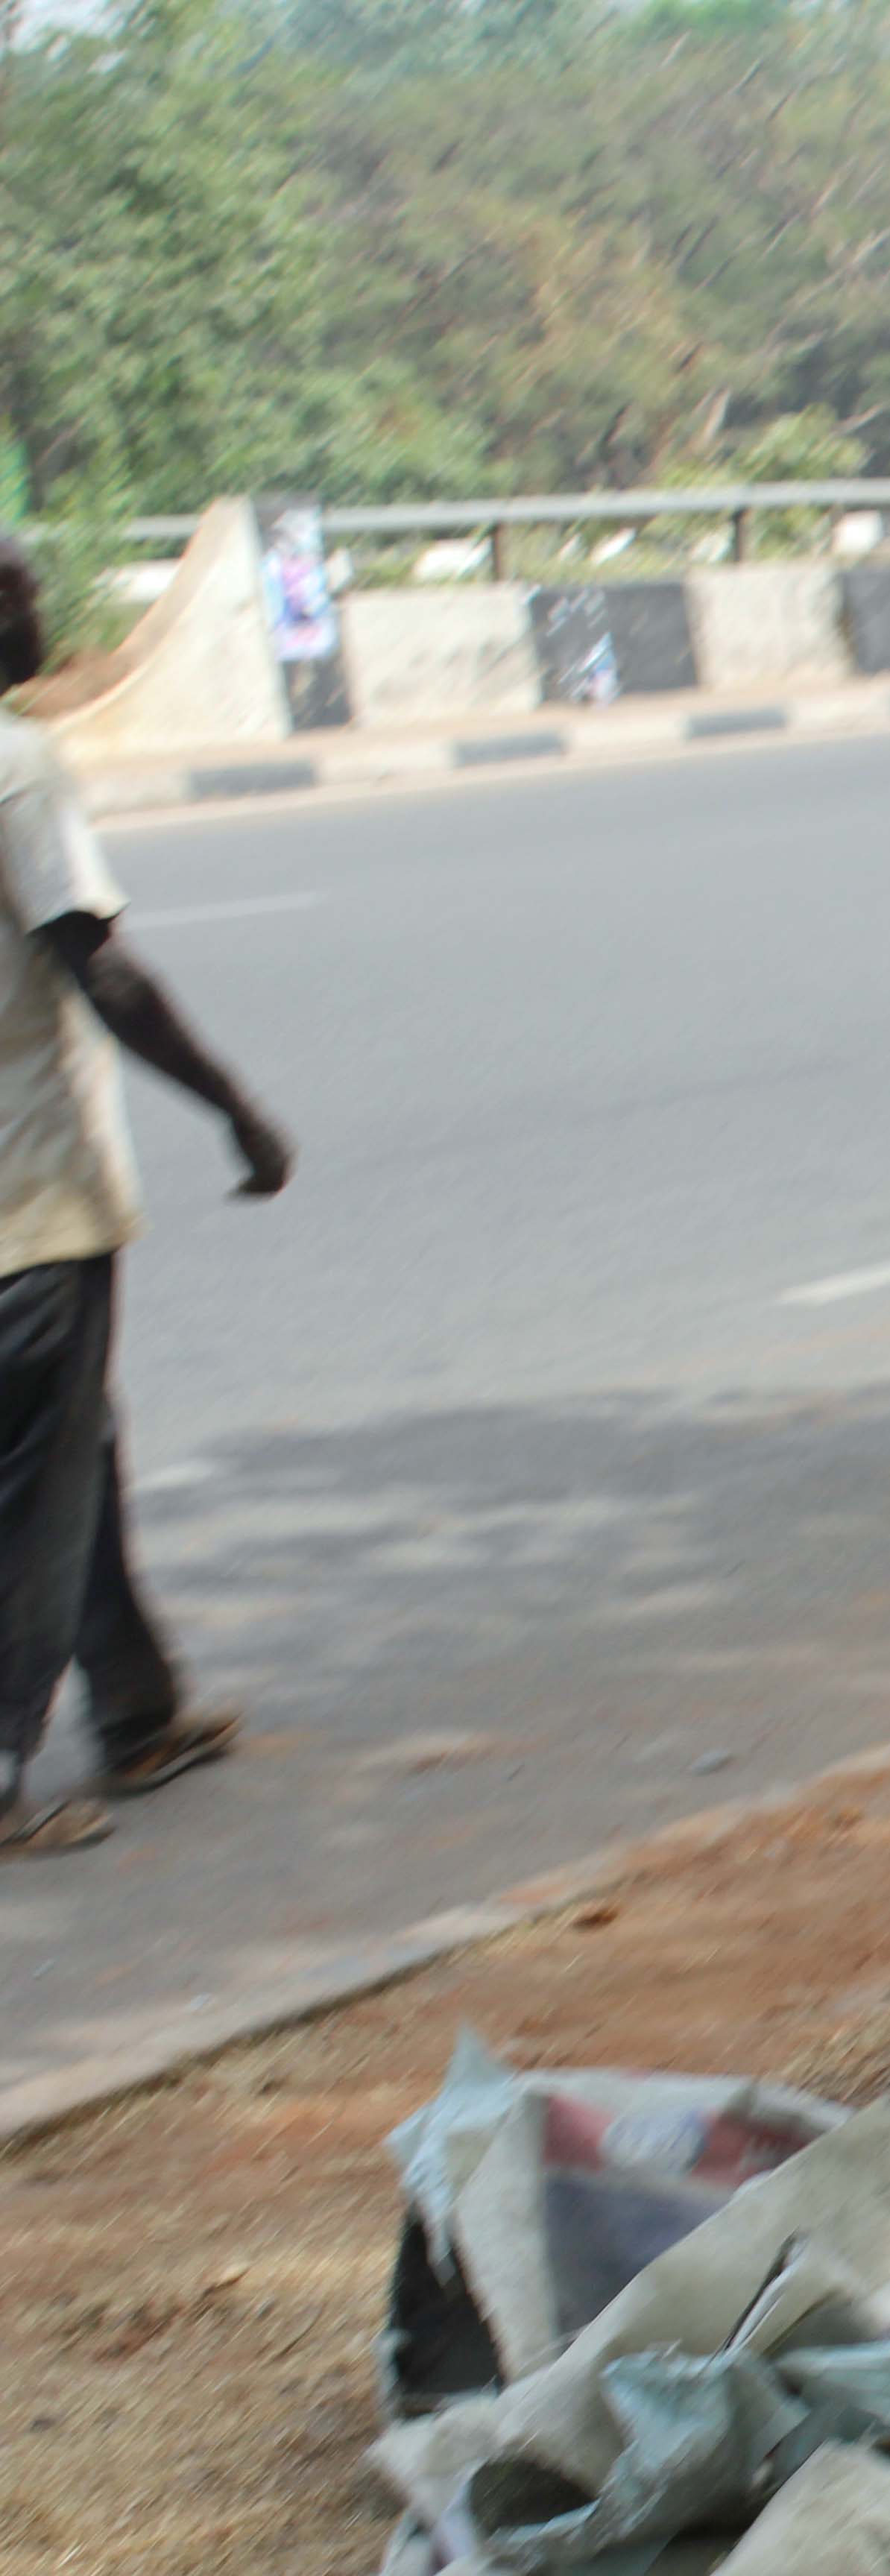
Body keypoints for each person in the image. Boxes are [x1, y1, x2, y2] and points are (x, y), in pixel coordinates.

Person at [0, 537, 294, 1861]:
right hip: (29, 1202)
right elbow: (96, 966)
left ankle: (138, 1709)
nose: (39, 622)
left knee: (76, 1451)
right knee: (37, 1491)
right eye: (17, 600)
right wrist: (233, 1102)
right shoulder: (15, 765)